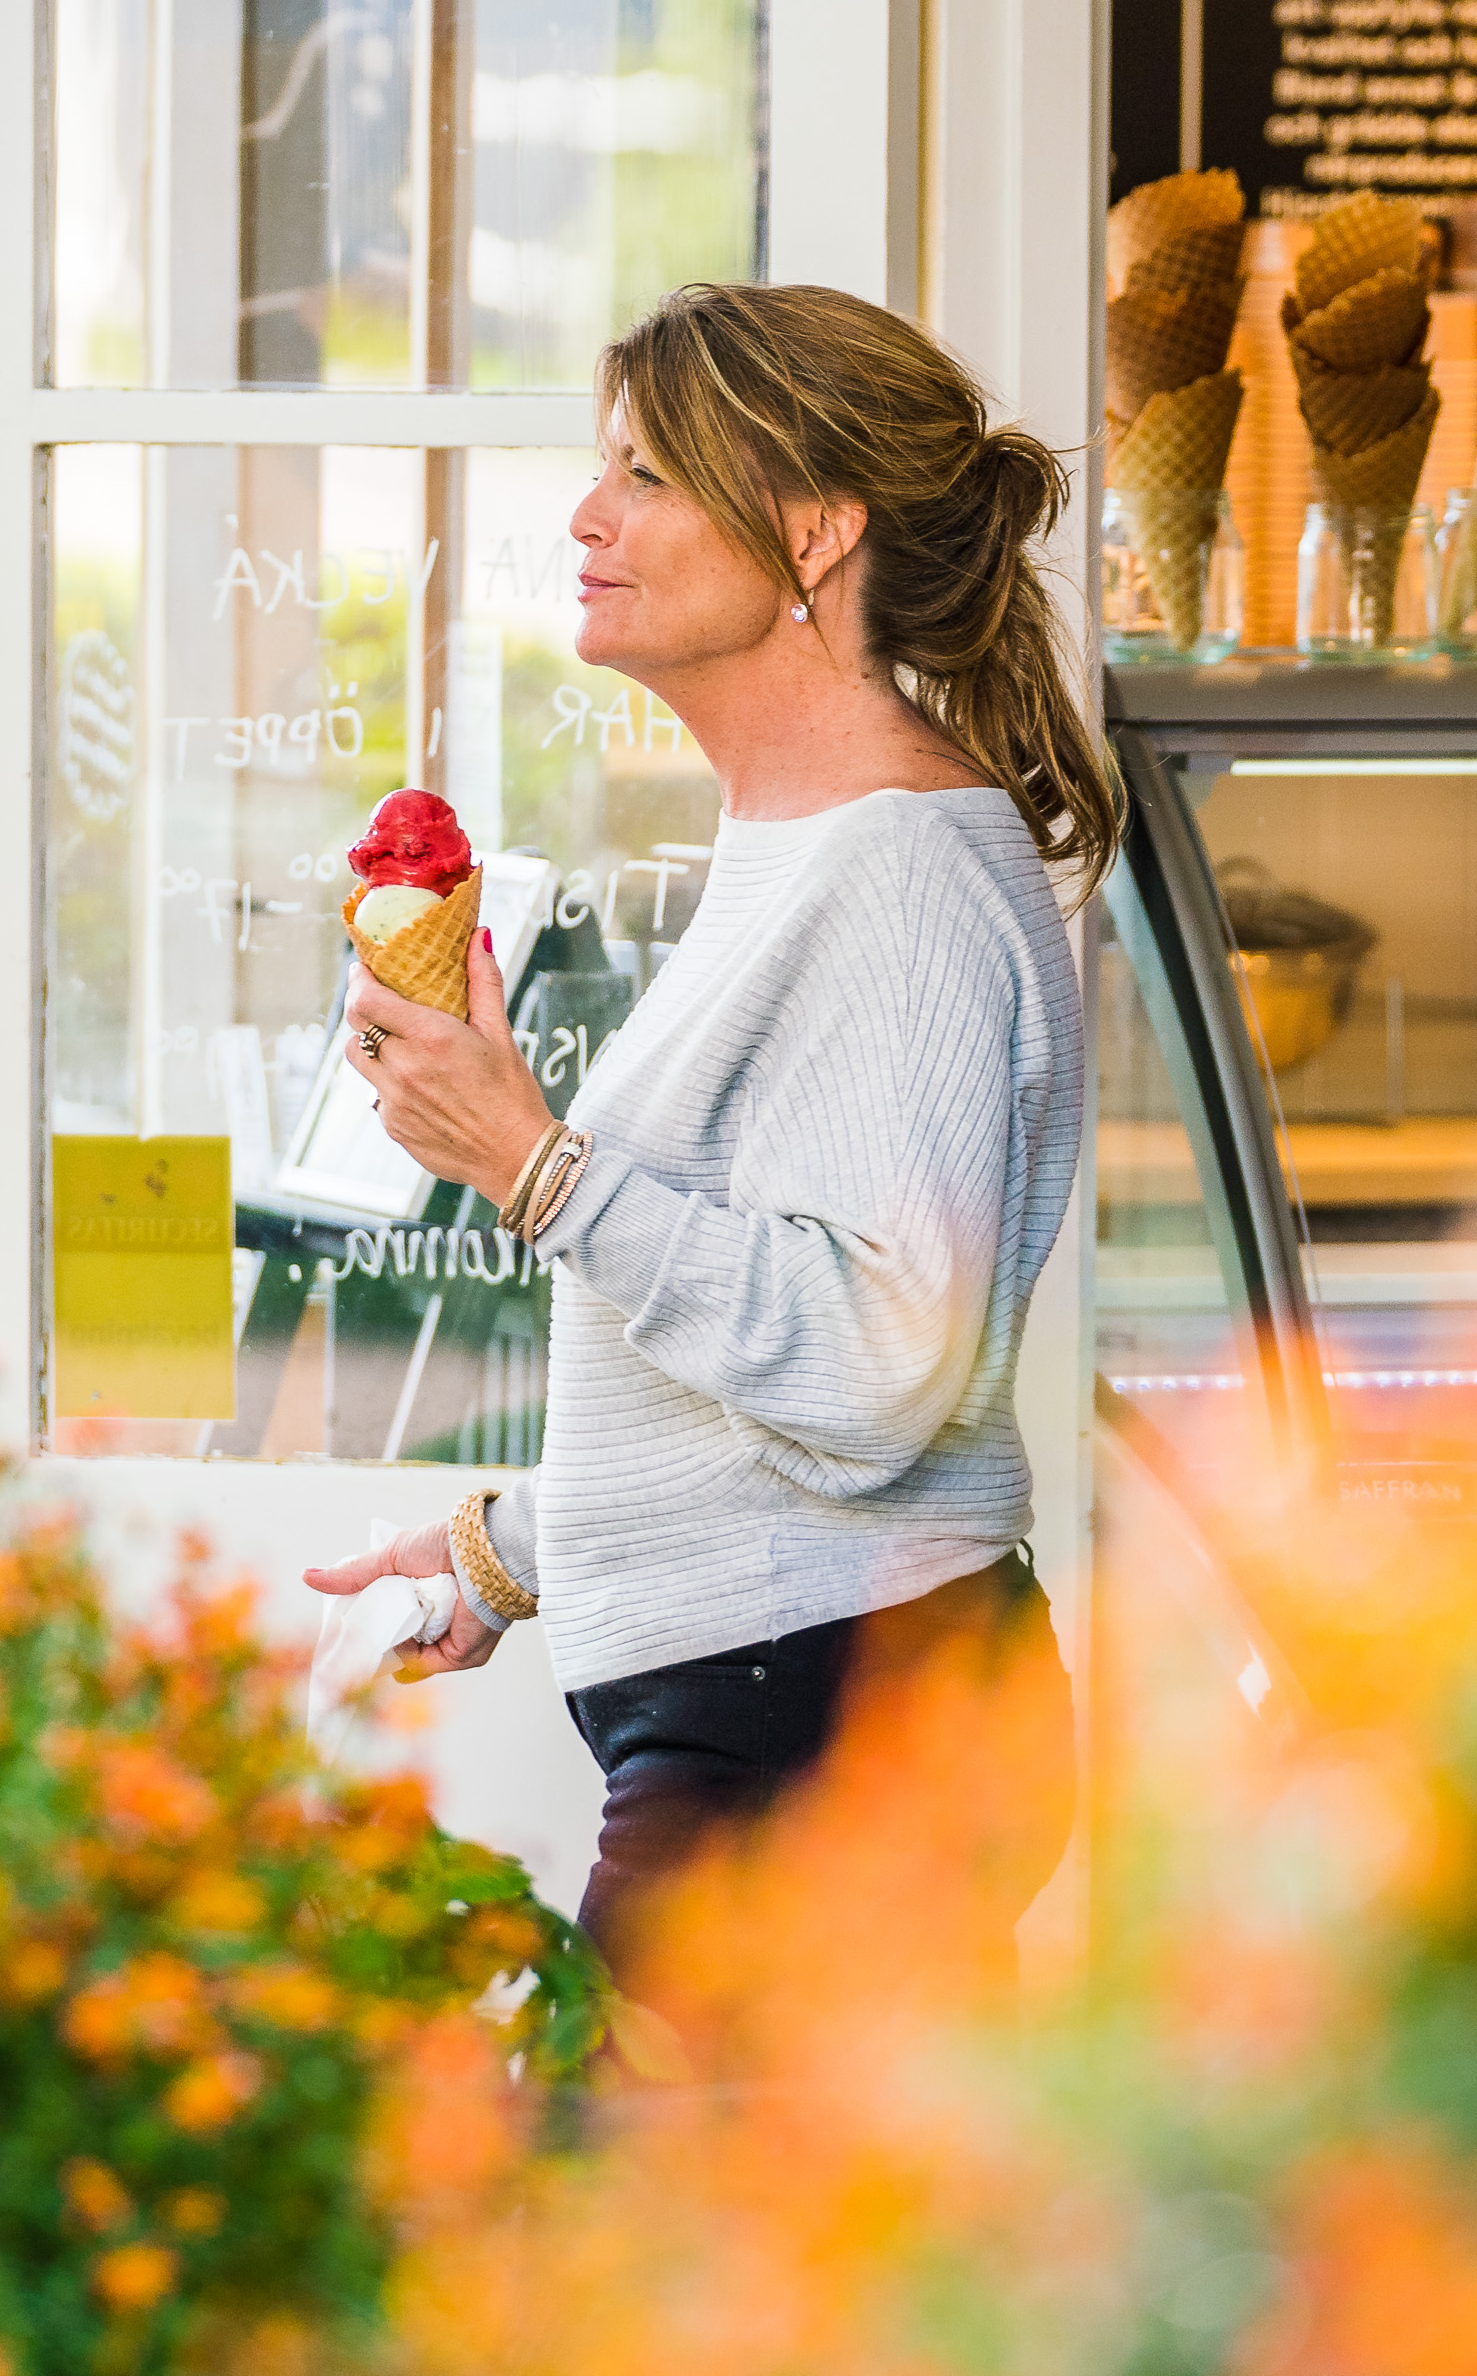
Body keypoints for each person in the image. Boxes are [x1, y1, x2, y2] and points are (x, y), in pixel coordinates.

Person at [301, 279, 1113, 2017]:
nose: (590, 517)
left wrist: (537, 1166)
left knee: (638, 2260)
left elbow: (883, 1365)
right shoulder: (811, 844)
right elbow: (783, 1381)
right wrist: (516, 1548)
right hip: (790, 1713)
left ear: (816, 535)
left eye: (651, 472)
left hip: (823, 1745)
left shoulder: (896, 875)